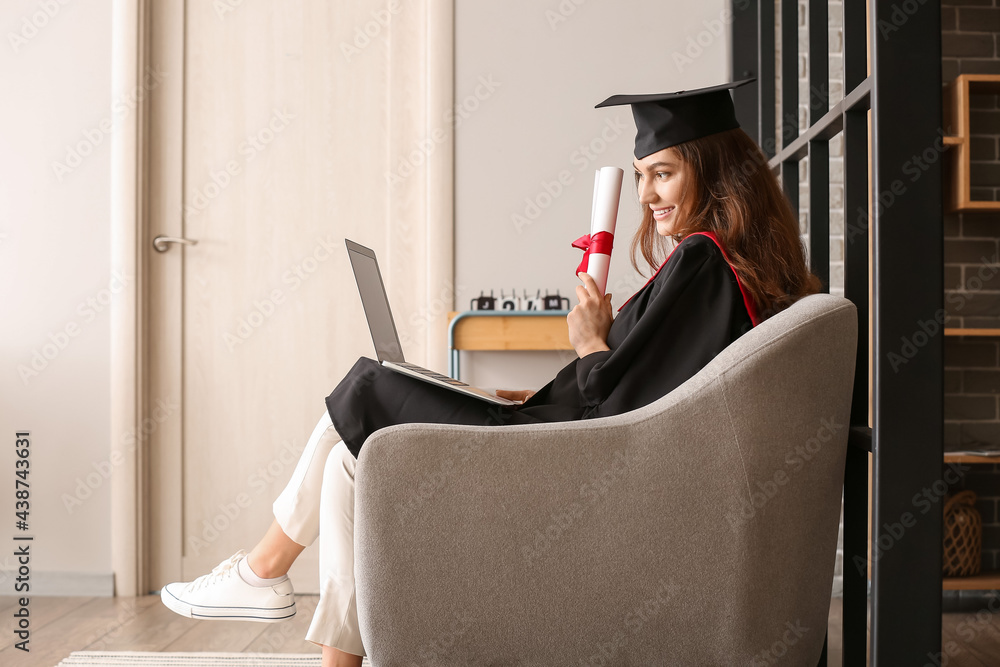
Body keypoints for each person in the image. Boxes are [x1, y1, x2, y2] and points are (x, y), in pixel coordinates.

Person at [160, 79, 821, 666]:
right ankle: (329, 650)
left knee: (367, 383)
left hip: (574, 461)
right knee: (349, 465)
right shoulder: (722, 267)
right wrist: (540, 386)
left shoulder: (705, 264)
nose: (646, 193)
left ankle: (262, 568)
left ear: (714, 173)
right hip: (569, 439)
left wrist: (590, 339)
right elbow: (643, 396)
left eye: (664, 173)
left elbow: (626, 411)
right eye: (641, 175)